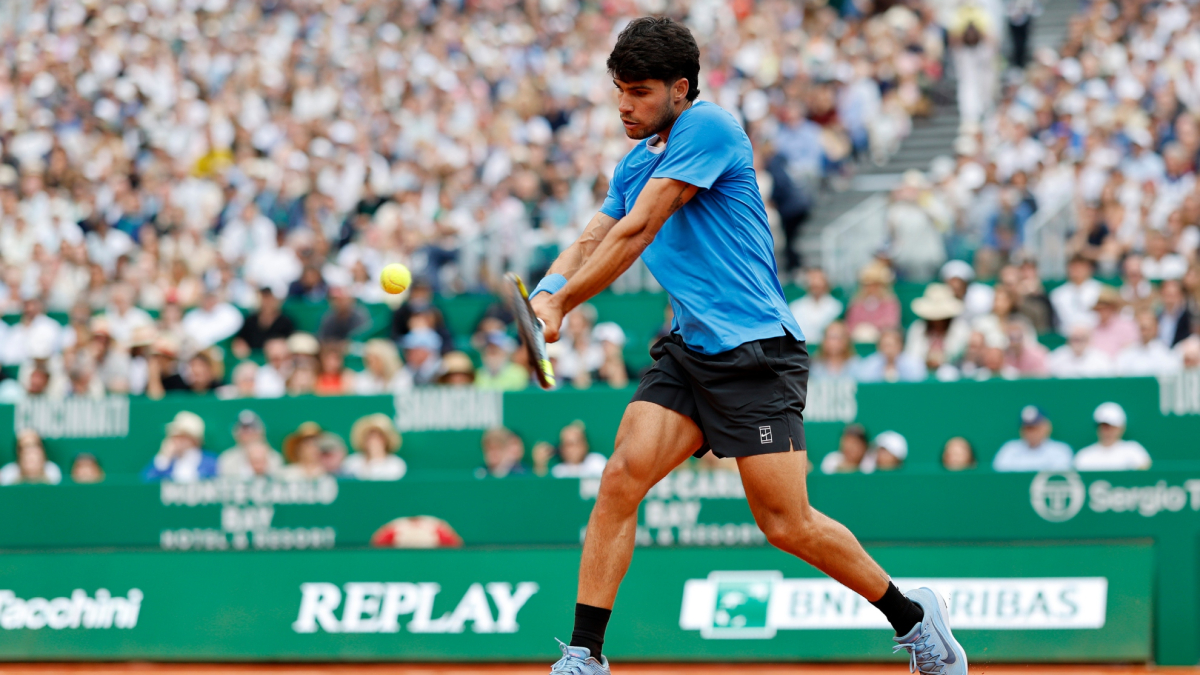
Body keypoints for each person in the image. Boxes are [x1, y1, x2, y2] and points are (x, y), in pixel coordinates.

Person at [532, 19, 966, 674]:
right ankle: (586, 654)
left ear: (681, 88)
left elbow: (638, 232)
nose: (625, 105)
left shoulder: (707, 129)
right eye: (619, 91)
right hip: (688, 349)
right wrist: (547, 288)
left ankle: (913, 616)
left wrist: (563, 303)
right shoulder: (633, 161)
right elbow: (595, 236)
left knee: (786, 524)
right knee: (621, 477)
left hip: (757, 354)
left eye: (640, 92)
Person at [992, 406, 1074, 472]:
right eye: (1028, 428)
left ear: (1047, 427)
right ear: (1021, 430)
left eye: (1036, 427)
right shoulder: (1009, 450)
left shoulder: (1060, 451)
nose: (1032, 433)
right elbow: (1000, 477)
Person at [141, 411, 218, 482]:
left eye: (182, 437)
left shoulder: (210, 462)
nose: (177, 441)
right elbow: (146, 483)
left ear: (195, 440)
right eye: (174, 436)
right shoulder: (166, 462)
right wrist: (163, 458)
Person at [1073, 403, 1152, 471]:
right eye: (1104, 426)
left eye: (1112, 427)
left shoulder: (1134, 450)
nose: (1107, 431)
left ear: (1122, 428)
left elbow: (1145, 473)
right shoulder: (1084, 456)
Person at [844, 262, 901, 344]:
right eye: (868, 285)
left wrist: (873, 328)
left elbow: (891, 323)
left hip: (882, 342)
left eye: (875, 285)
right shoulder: (856, 303)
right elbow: (850, 324)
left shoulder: (890, 303)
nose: (871, 288)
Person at [217, 410, 284, 479]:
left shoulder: (274, 458)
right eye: (244, 429)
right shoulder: (227, 459)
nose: (248, 432)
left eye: (252, 428)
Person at [231, 287, 295, 359]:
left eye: (269, 298)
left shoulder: (285, 321)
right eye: (264, 298)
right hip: (252, 360)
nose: (266, 302)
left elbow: (290, 341)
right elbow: (240, 339)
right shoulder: (250, 320)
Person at [533, 421, 608, 478]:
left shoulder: (598, 462)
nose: (572, 449)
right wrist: (540, 465)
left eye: (575, 442)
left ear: (585, 445)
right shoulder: (558, 471)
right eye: (567, 444)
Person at [343, 413, 407, 481]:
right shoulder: (351, 462)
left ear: (386, 440)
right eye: (369, 438)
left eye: (378, 438)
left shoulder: (396, 464)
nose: (373, 442)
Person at [1117, 310, 1180, 376]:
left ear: (1156, 329)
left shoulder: (1165, 354)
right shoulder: (1127, 352)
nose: (1145, 333)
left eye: (1148, 328)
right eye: (1142, 328)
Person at [789, 268, 843, 347]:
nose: (816, 283)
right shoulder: (795, 307)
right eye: (812, 279)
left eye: (819, 279)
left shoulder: (837, 307)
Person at [1050, 256, 1102, 334]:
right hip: (1066, 336)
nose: (1077, 271)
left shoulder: (1101, 290)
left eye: (1081, 267)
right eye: (1074, 267)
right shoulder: (1057, 294)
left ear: (1089, 269)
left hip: (1096, 335)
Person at [855, 328, 926, 383]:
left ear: (900, 345)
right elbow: (864, 382)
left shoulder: (913, 363)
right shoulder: (870, 363)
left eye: (891, 345)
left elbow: (917, 383)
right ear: (879, 347)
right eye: (884, 346)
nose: (888, 350)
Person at [1046, 324, 1113, 378]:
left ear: (1088, 340)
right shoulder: (1057, 357)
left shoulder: (1101, 359)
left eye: (1082, 339)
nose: (1078, 343)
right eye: (1075, 339)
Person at [1159, 279, 1193, 347]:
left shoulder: (1188, 318)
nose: (1170, 299)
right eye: (1167, 295)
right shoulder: (1157, 316)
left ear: (1180, 296)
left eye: (1173, 295)